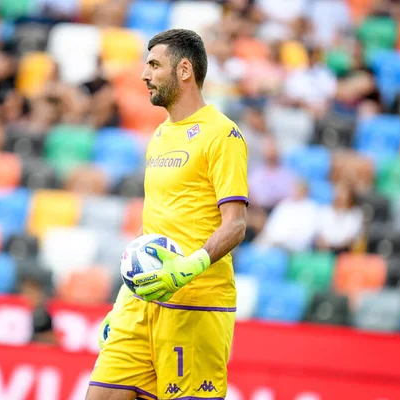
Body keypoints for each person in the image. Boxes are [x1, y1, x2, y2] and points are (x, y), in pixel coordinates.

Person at [86, 29, 249, 400]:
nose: (145, 74)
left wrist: (188, 267)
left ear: (185, 70)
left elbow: (236, 224)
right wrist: (122, 300)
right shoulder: (159, 135)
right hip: (141, 301)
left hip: (196, 302)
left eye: (155, 65)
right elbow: (154, 225)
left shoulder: (223, 134)